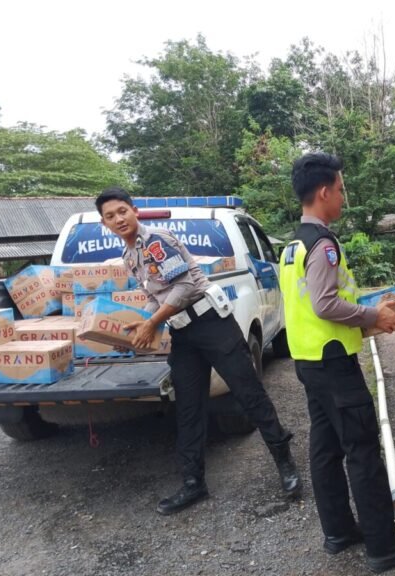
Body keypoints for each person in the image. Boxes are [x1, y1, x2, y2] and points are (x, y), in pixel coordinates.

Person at [95, 187, 300, 516]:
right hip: (182, 333)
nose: (118, 219)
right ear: (104, 223)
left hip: (211, 324)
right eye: (110, 216)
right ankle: (193, 482)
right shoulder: (129, 255)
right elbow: (157, 296)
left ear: (134, 210)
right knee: (188, 407)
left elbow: (186, 287)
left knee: (249, 393)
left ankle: (285, 461)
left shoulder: (156, 241)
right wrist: (146, 322)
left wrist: (152, 324)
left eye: (122, 211)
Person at [278, 153, 395, 573]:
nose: (343, 196)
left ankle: (339, 531)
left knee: (325, 449)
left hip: (309, 361)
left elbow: (307, 307)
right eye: (341, 189)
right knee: (361, 450)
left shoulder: (293, 245)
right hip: (334, 365)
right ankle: (384, 547)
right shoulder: (323, 244)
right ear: (324, 191)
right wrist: (372, 317)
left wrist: (366, 321)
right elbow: (326, 304)